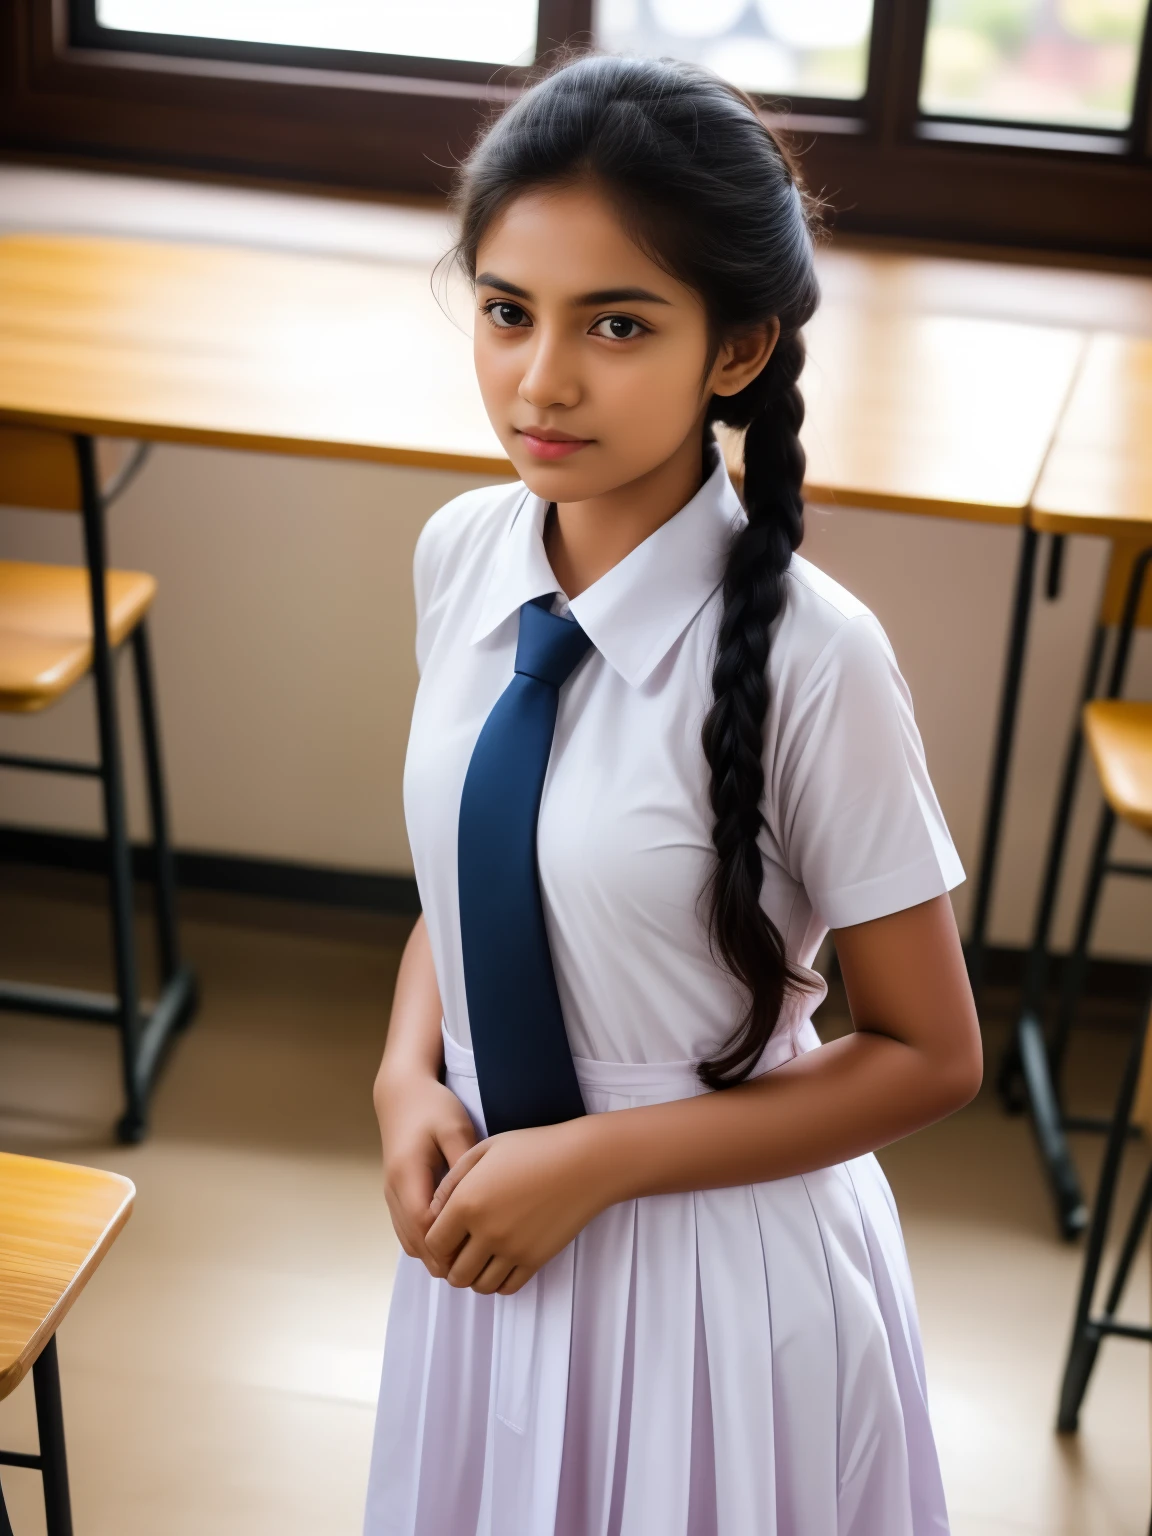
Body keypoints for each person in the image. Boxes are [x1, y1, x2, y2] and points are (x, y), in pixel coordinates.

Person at [365, 52, 982, 1536]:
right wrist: (404, 1076)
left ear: (738, 348)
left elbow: (929, 1052)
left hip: (711, 1280)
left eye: (617, 324)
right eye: (508, 311)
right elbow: (473, 881)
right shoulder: (463, 554)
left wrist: (599, 1163)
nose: (541, 379)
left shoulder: (815, 661)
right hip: (486, 1246)